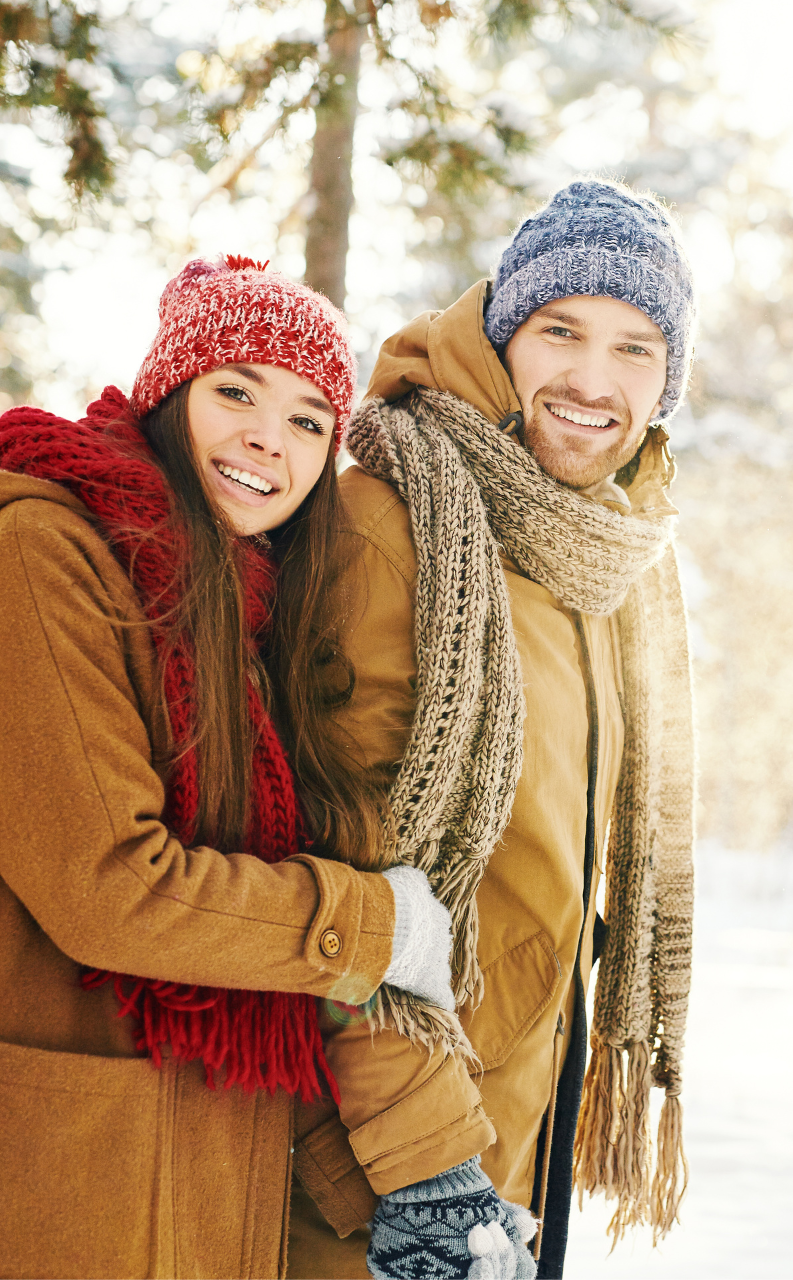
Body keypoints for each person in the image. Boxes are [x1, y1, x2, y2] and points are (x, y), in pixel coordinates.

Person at [0, 256, 459, 1279]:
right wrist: (371, 923)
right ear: (170, 396)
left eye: (308, 420)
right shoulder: (36, 559)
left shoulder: (251, 616)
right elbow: (110, 885)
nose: (269, 437)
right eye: (236, 392)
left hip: (165, 1193)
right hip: (8, 1195)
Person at [283, 179, 699, 1279]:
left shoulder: (600, 555)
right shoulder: (399, 519)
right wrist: (425, 1168)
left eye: (635, 347)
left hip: (516, 1138)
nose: (593, 380)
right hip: (389, 1174)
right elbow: (345, 864)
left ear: (667, 384)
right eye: (561, 330)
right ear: (503, 334)